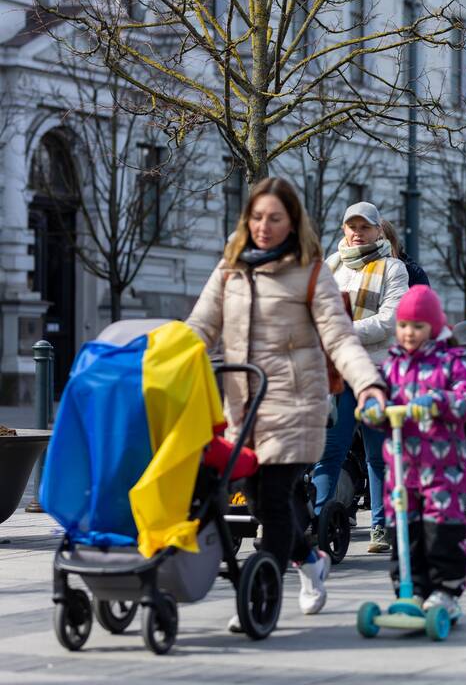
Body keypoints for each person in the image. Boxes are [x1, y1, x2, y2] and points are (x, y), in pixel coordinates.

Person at [186, 177, 386, 625]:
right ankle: (311, 560)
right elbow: (199, 327)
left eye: (274, 218)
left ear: (292, 222)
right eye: (257, 217)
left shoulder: (312, 272)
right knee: (257, 500)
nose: (264, 226)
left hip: (296, 406)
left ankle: (260, 592)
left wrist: (368, 383)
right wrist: (158, 357)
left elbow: (339, 338)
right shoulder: (230, 269)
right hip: (242, 409)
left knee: (273, 504)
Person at [357, 285, 466, 621]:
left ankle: (445, 591)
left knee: (441, 530)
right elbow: (378, 398)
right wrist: (373, 409)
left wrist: (439, 401)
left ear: (433, 328)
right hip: (402, 470)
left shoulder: (452, 362)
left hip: (443, 469)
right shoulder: (392, 366)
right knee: (404, 532)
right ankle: (408, 591)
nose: (409, 333)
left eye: (417, 327)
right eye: (403, 326)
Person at [312, 201, 408, 555]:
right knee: (329, 451)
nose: (357, 233)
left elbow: (390, 321)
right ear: (343, 230)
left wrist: (340, 329)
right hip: (336, 371)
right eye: (351, 226)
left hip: (375, 371)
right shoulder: (329, 266)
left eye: (364, 227)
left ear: (378, 231)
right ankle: (321, 521)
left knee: (378, 453)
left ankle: (380, 527)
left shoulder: (393, 268)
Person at [381, 219, 430, 287]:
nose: (376, 245)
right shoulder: (362, 268)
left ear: (391, 242)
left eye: (380, 240)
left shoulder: (413, 273)